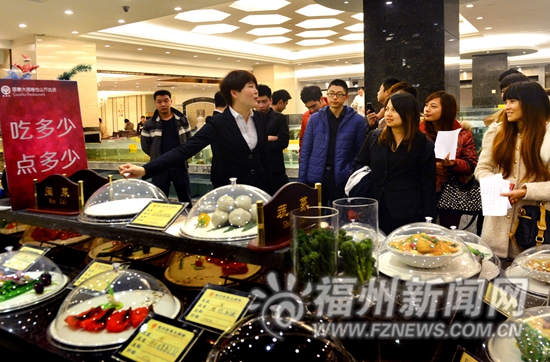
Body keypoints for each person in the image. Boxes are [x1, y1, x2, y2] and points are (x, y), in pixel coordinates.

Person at [119, 70, 272, 193]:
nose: (256, 92)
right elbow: (184, 150)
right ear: (234, 93)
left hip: (259, 189)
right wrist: (145, 169)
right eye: (251, 86)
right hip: (230, 190)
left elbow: (265, 157)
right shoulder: (218, 123)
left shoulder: (259, 118)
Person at [475, 81, 550, 259]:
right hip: (496, 226)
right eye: (506, 102)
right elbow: (482, 169)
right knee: (494, 278)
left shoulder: (547, 137)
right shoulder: (496, 133)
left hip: (534, 230)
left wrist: (526, 191)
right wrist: (497, 184)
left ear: (532, 103)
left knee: (530, 279)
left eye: (512, 101)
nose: (506, 107)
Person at [353, 92, 437, 235]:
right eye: (387, 109)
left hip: (407, 211)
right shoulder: (375, 137)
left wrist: (429, 221)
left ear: (408, 113)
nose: (388, 114)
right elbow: (359, 164)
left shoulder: (423, 144)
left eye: (395, 110)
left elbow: (428, 185)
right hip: (375, 208)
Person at [299, 79, 366, 206]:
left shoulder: (357, 121)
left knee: (341, 215)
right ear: (326, 96)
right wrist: (302, 180)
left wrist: (349, 172)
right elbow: (306, 150)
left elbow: (359, 152)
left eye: (339, 94)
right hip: (317, 177)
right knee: (317, 217)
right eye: (331, 93)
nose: (335, 97)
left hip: (341, 178)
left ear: (346, 97)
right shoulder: (314, 119)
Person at [420, 91, 478, 229]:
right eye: (426, 105)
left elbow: (471, 165)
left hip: (451, 191)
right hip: (423, 191)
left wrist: (454, 164)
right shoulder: (418, 133)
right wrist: (432, 166)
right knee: (425, 230)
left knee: (449, 232)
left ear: (446, 110)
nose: (427, 109)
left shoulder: (463, 134)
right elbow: (407, 161)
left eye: (433, 106)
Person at [140, 90, 192, 204]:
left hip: (180, 165)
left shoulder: (182, 120)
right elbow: (145, 145)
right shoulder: (149, 124)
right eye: (159, 102)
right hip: (159, 167)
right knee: (159, 199)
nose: (163, 104)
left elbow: (189, 141)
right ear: (155, 103)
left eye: (166, 101)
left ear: (171, 101)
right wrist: (157, 156)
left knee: (185, 198)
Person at [257, 84, 289, 193]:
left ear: (270, 100)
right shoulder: (250, 118)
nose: (261, 105)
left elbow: (283, 142)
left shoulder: (279, 118)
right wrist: (268, 138)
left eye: (264, 101)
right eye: (258, 102)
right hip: (257, 169)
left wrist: (260, 142)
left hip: (276, 168)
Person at [299, 85, 327, 151]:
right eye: (308, 107)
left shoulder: (334, 113)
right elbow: (302, 141)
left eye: (314, 106)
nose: (311, 110)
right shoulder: (306, 116)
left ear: (321, 99)